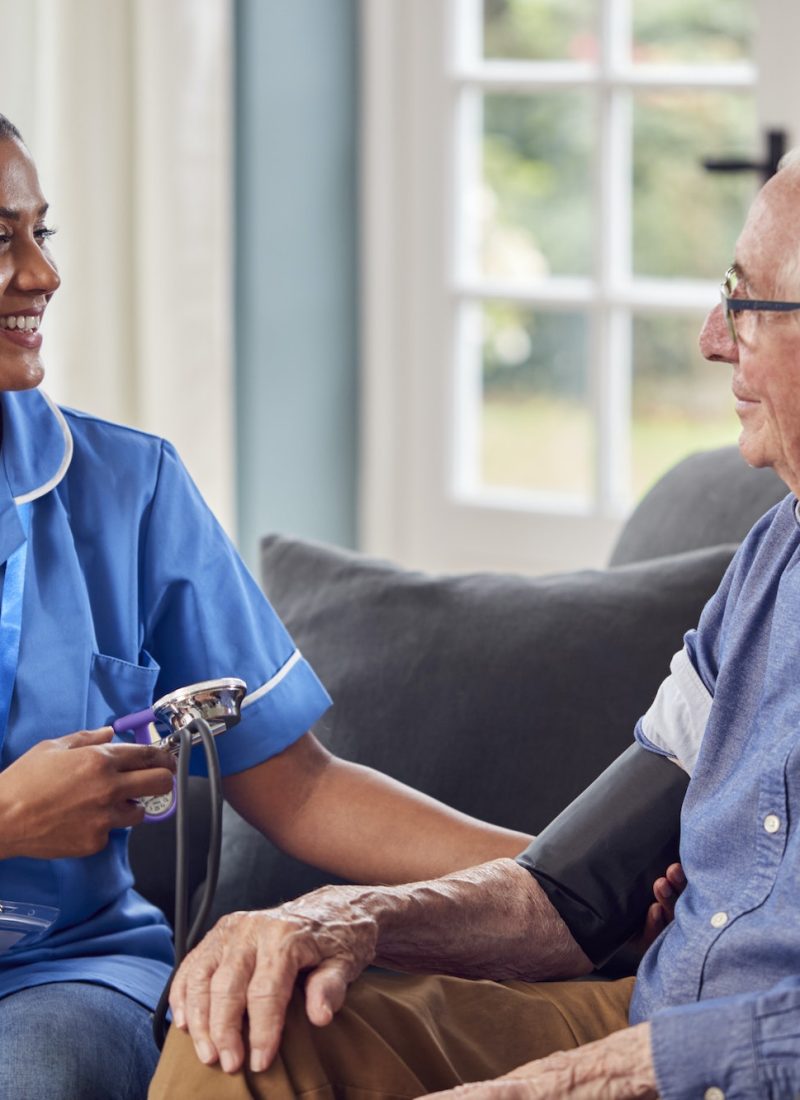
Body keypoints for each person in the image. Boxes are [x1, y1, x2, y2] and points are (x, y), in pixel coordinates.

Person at [149, 151, 800, 1100]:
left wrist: (581, 1080)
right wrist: (347, 916)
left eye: (748, 303)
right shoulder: (771, 559)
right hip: (648, 1013)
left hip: (719, 1064)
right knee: (254, 1021)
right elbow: (570, 890)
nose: (710, 338)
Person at [0, 113, 542, 1100]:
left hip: (55, 976)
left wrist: (566, 877)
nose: (43, 274)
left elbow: (296, 784)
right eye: (3, 238)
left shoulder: (131, 487)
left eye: (44, 232)